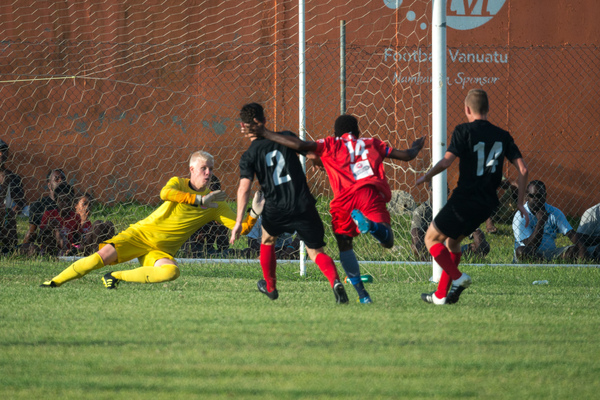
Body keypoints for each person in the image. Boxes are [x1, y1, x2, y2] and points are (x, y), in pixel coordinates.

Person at [250, 113, 425, 303]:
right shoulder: (372, 143)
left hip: (342, 202)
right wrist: (417, 145)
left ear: (335, 133)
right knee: (388, 241)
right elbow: (408, 156)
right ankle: (372, 226)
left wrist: (267, 133)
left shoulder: (330, 144)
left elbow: (300, 146)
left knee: (345, 246)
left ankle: (362, 294)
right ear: (358, 132)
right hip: (368, 195)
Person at [40, 150, 263, 289]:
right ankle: (54, 282)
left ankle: (115, 276)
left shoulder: (215, 203)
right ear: (191, 169)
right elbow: (164, 194)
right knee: (100, 257)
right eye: (203, 168)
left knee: (171, 272)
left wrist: (254, 213)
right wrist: (197, 201)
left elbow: (241, 229)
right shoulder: (178, 182)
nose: (208, 173)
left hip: (160, 251)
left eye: (211, 169)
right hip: (140, 235)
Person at [416, 88, 529, 305]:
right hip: (487, 205)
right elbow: (523, 170)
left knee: (430, 239)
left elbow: (446, 162)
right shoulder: (503, 136)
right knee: (452, 243)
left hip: (464, 199)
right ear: (487, 109)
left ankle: (458, 278)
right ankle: (440, 295)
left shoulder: (463, 131)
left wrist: (426, 175)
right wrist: (520, 202)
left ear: (467, 109)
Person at [230, 103, 349, 304]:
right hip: (302, 204)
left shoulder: (249, 156)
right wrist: (317, 162)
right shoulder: (285, 136)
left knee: (267, 240)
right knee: (315, 252)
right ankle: (335, 281)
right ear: (265, 120)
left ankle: (271, 287)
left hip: (276, 208)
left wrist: (238, 222)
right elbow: (311, 153)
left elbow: (244, 189)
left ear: (243, 126)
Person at [513, 180, 590, 262]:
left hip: (552, 253)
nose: (536, 199)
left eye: (539, 196)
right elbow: (531, 245)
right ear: (527, 196)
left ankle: (547, 262)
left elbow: (571, 234)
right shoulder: (520, 216)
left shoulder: (554, 212)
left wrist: (582, 250)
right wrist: (541, 221)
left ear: (545, 196)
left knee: (574, 249)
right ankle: (546, 263)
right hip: (530, 252)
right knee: (521, 251)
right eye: (532, 196)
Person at [411, 199, 490, 261]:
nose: (440, 192)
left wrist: (480, 244)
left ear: (448, 192)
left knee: (484, 246)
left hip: (450, 250)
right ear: (429, 191)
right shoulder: (421, 211)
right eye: (434, 189)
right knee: (416, 247)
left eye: (446, 190)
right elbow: (416, 237)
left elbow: (476, 231)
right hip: (429, 252)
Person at [182, 174, 230, 258]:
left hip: (209, 247)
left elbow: (223, 243)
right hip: (193, 245)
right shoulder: (191, 204)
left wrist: (221, 225)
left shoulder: (218, 206)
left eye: (213, 195)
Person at [23, 169, 66, 245]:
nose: (61, 181)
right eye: (57, 179)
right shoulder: (38, 205)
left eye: (63, 179)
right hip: (48, 244)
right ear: (49, 185)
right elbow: (32, 233)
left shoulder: (71, 203)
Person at [0, 139, 26, 253]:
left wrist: (18, 206)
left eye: (4, 151)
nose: (2, 154)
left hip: (9, 211)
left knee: (28, 210)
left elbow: (21, 200)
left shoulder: (13, 177)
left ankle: (10, 248)